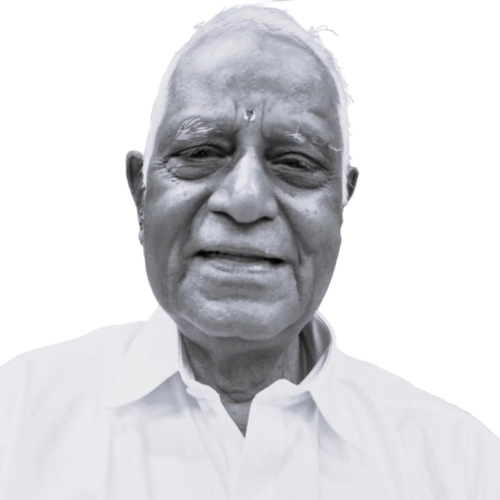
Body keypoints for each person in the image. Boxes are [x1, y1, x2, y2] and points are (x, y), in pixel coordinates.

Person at [0, 2, 498, 499]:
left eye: (296, 162)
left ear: (345, 200)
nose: (245, 200)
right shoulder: (14, 417)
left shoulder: (461, 461)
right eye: (200, 152)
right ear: (139, 193)